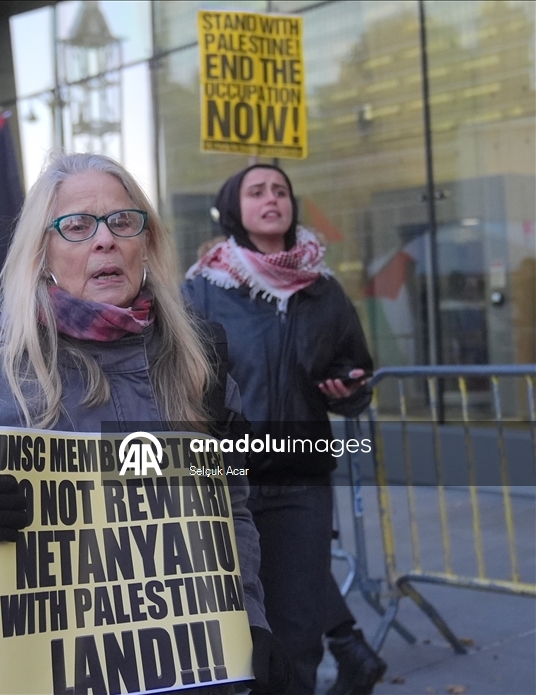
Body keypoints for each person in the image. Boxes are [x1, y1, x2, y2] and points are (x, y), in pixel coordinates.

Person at [0, 152, 291, 695]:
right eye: (77, 226)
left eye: (122, 221)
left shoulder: (200, 370)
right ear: (43, 253)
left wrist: (250, 620)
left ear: (145, 243)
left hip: (189, 676)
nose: (105, 240)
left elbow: (231, 511)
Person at [181, 164, 385, 695]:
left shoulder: (325, 291)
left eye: (280, 190)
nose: (271, 199)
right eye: (257, 192)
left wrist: (347, 389)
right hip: (228, 483)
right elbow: (178, 378)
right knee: (229, 629)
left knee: (296, 636)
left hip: (302, 483)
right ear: (234, 208)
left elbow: (355, 370)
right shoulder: (204, 288)